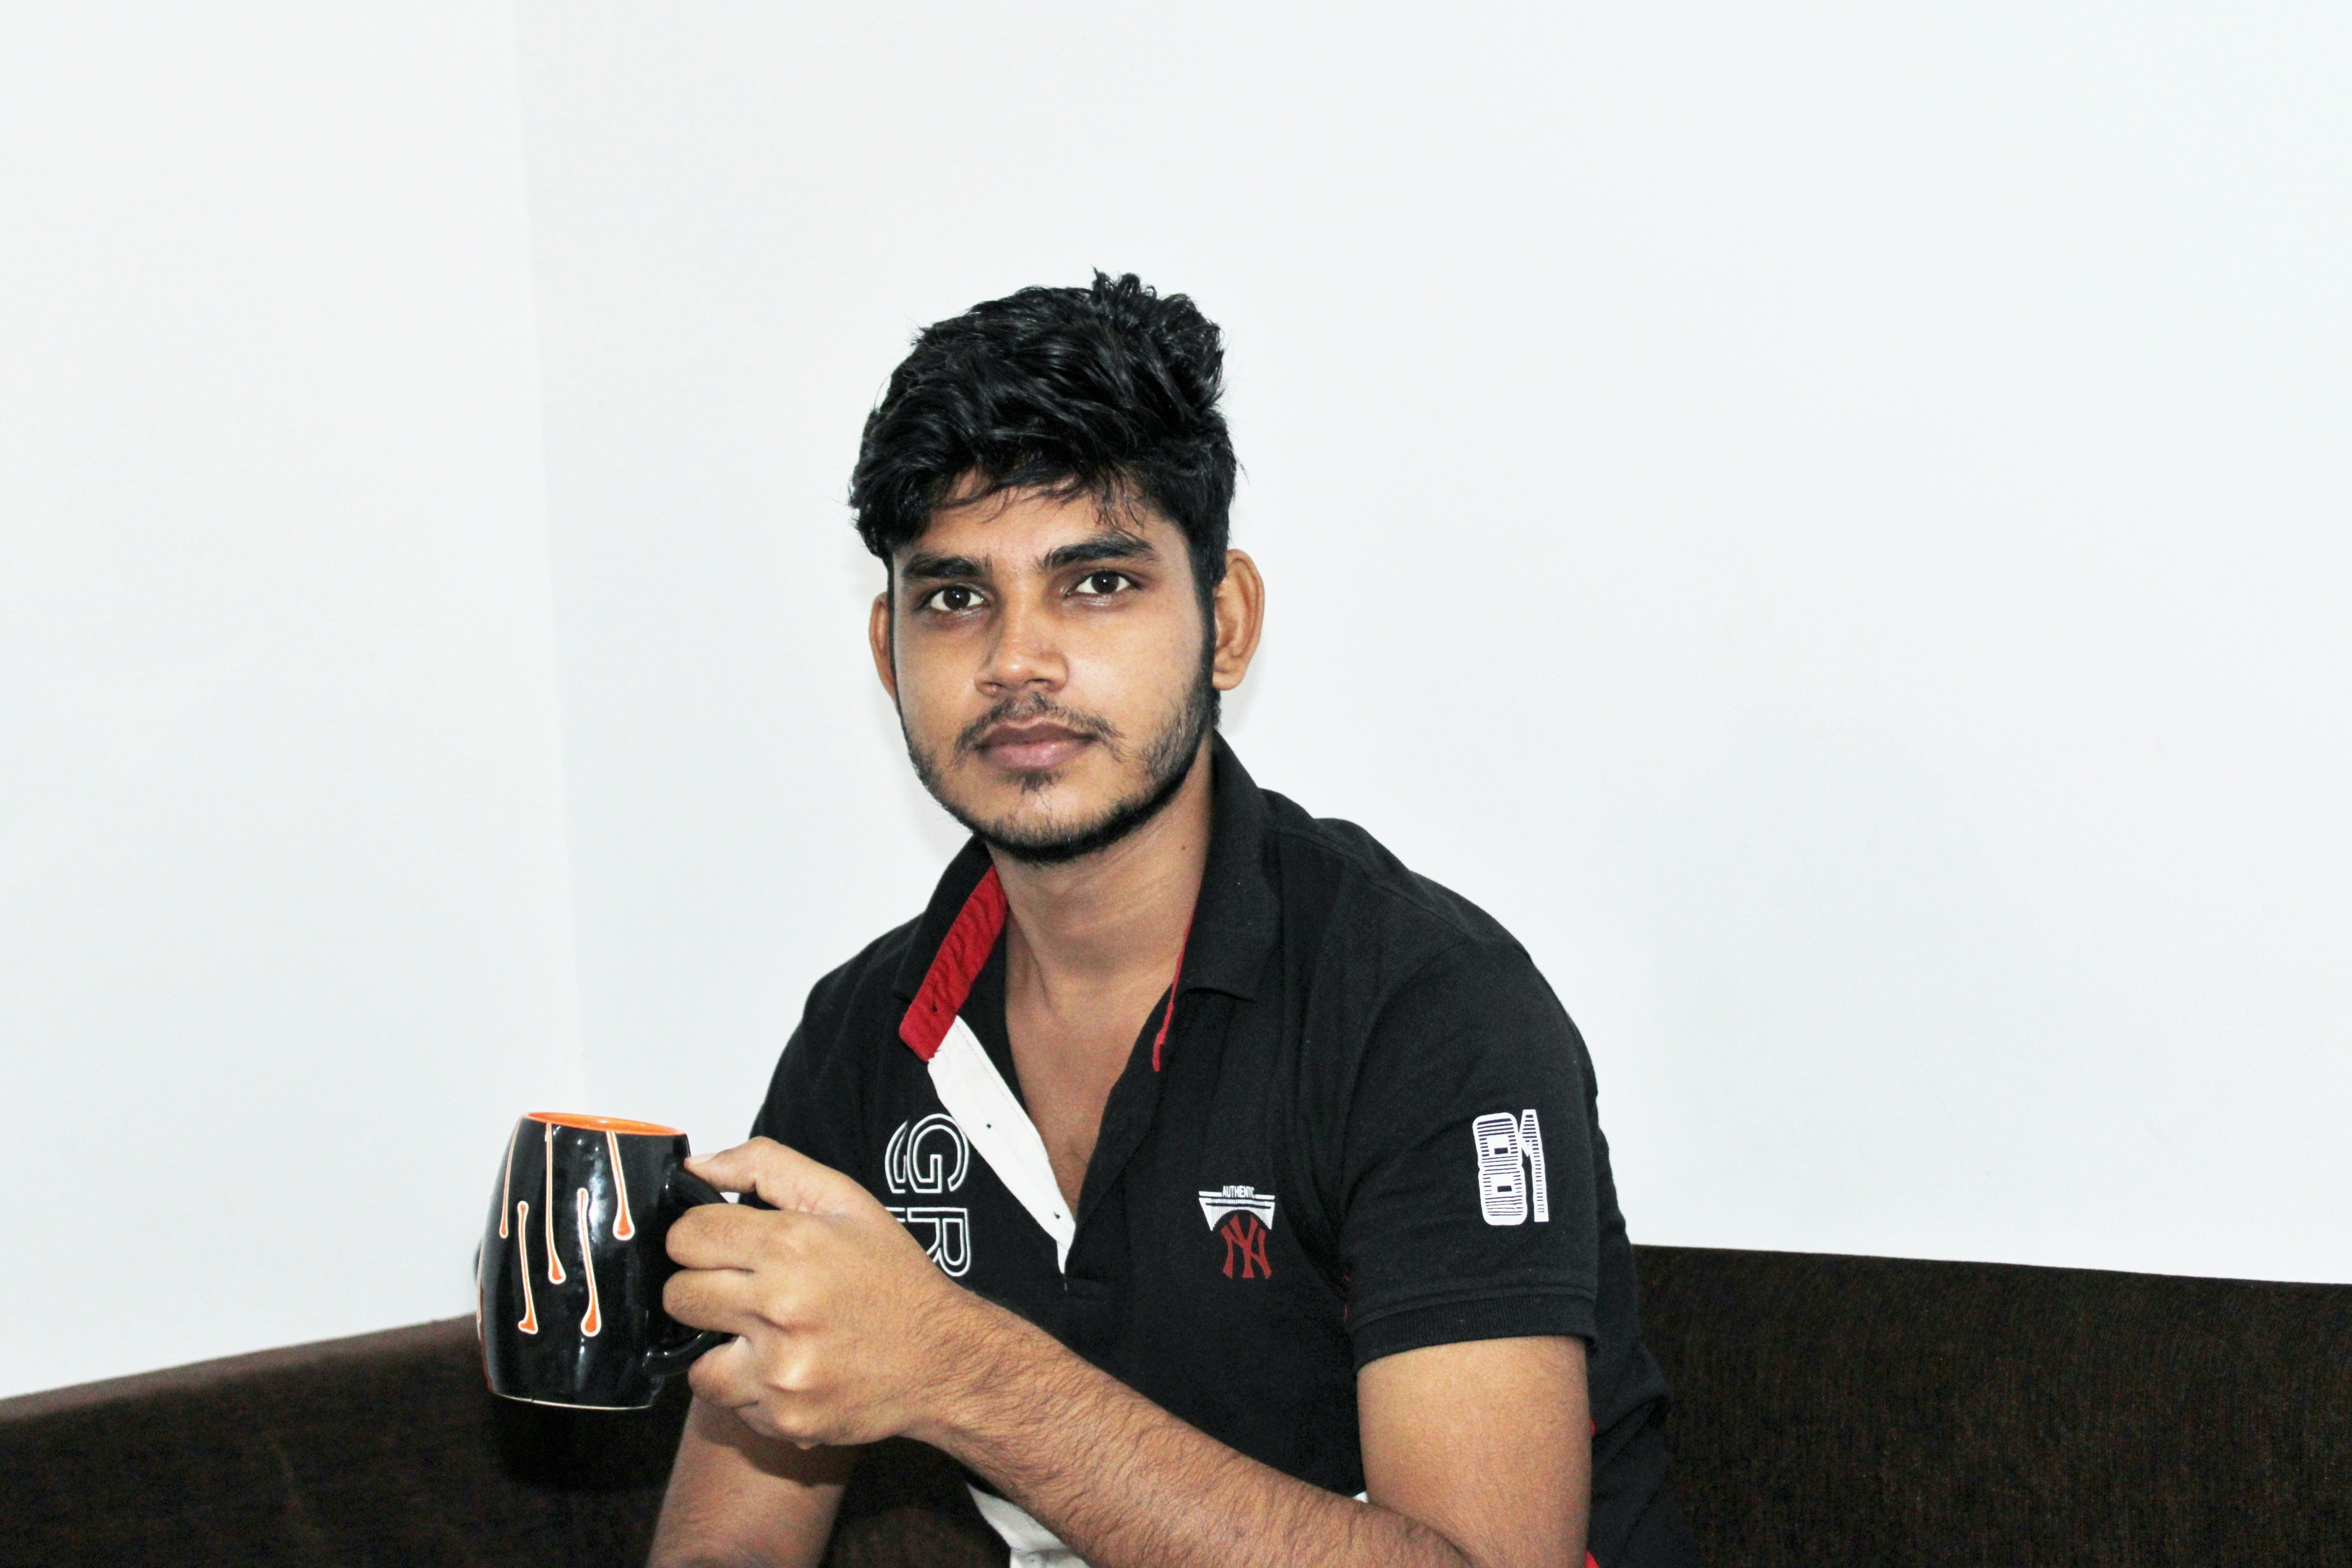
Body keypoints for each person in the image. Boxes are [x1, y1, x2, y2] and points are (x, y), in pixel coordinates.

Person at [650, 273, 1701, 1568]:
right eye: (953, 596)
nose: (1014, 658)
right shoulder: (868, 1034)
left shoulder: (1426, 1007)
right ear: (888, 653)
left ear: (1226, 622)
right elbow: (725, 1545)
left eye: (1094, 583)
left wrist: (958, 1370)